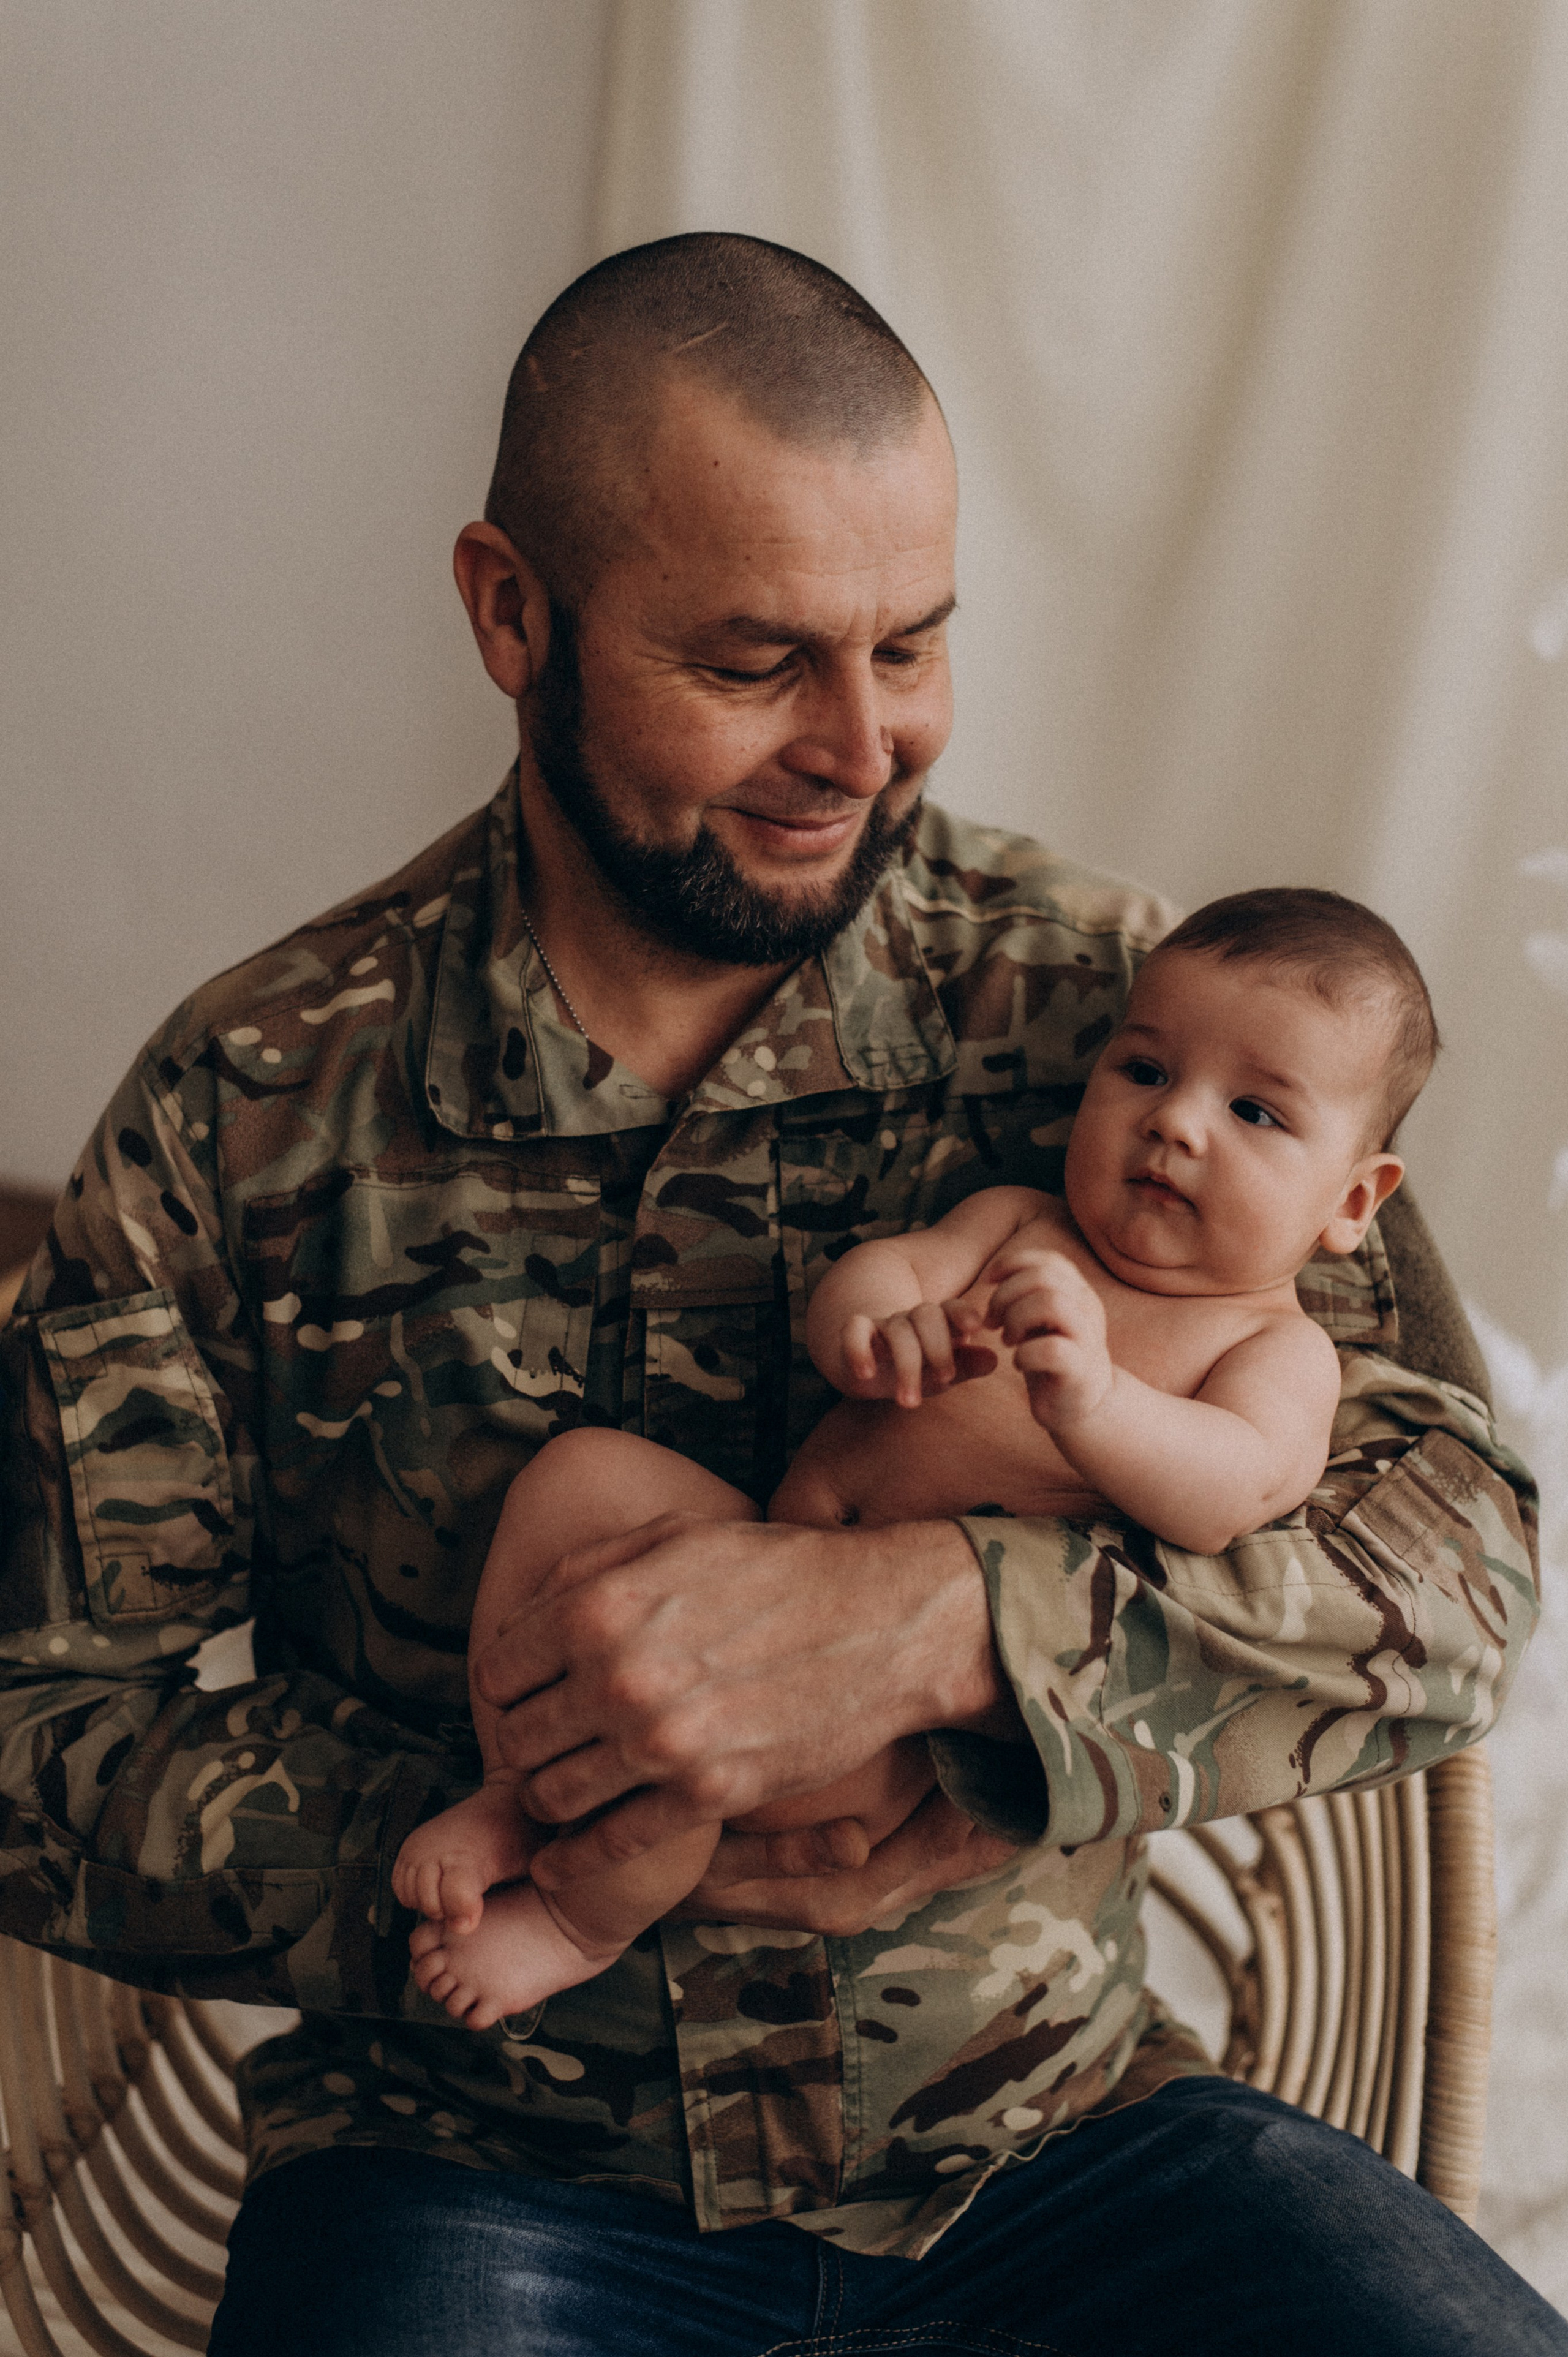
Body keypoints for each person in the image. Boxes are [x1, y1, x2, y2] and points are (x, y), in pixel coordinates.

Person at [0, 234, 1555, 2353]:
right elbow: (38, 1727)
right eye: (754, 663)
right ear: (510, 611)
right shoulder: (252, 1108)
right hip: (484, 2156)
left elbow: (1461, 1560)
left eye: (911, 644)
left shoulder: (1123, 1016)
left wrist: (950, 1636)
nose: (860, 742)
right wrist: (542, 1815)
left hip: (1052, 2132)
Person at [395, 885, 1422, 2032]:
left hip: (884, 1726)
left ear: (1352, 1201)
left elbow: (1232, 1490)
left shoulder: (1271, 1348)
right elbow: (879, 1276)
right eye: (1144, 1071)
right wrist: (879, 1335)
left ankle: (584, 1916)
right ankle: (508, 1788)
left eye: (1256, 1112)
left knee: (693, 1751)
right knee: (580, 1477)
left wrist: (1096, 1401)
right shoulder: (1020, 1223)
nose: (1178, 1122)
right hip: (755, 1555)